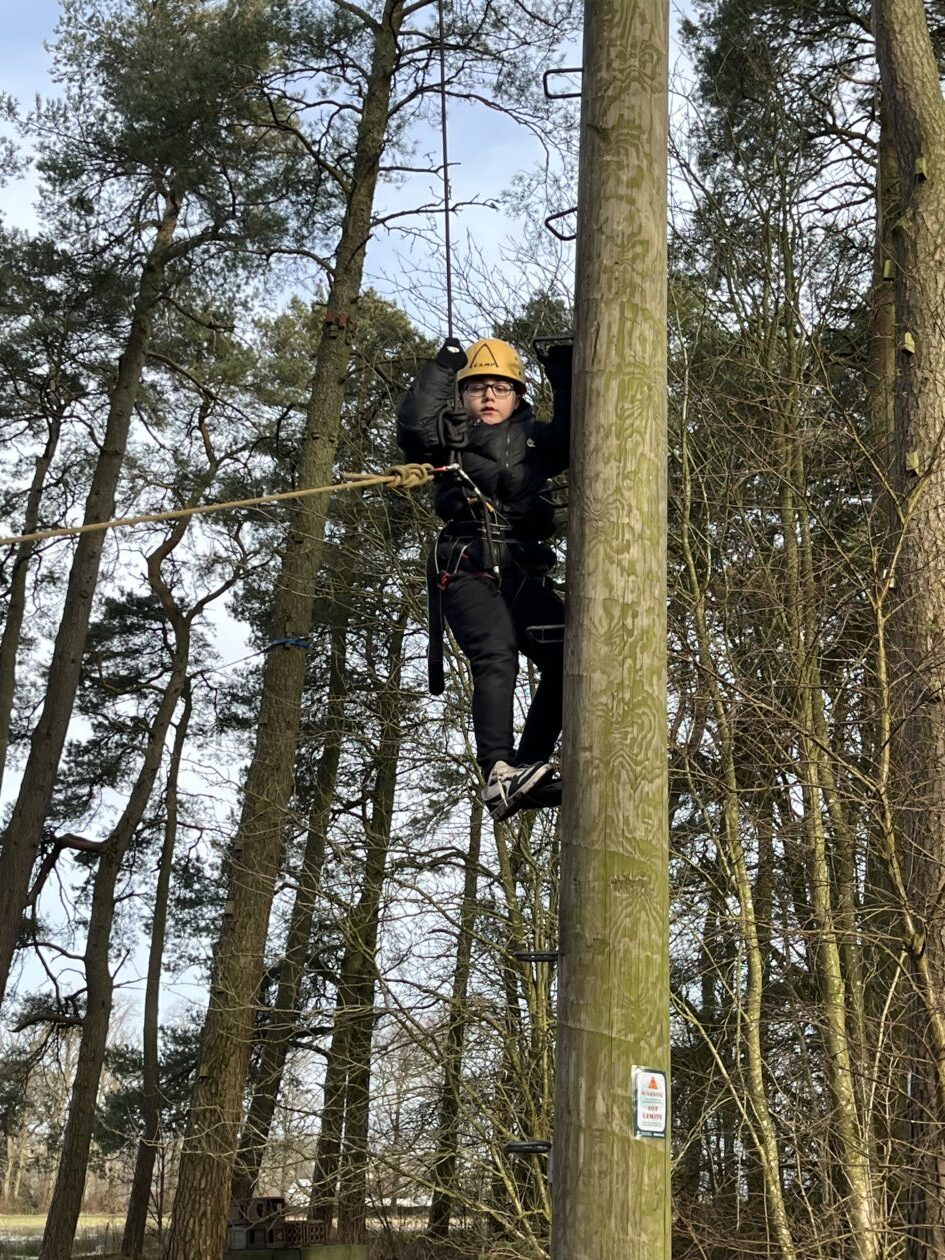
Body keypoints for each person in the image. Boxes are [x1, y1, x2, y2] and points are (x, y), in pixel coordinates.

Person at [397, 334, 572, 820]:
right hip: (467, 563)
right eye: (477, 388)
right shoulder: (449, 436)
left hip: (521, 570)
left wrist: (562, 369)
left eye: (500, 388)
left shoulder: (536, 441)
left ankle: (526, 768)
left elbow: (576, 433)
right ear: (462, 396)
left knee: (570, 656)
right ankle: (498, 769)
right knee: (496, 654)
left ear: (517, 395)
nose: (489, 397)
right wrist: (443, 367)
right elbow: (413, 428)